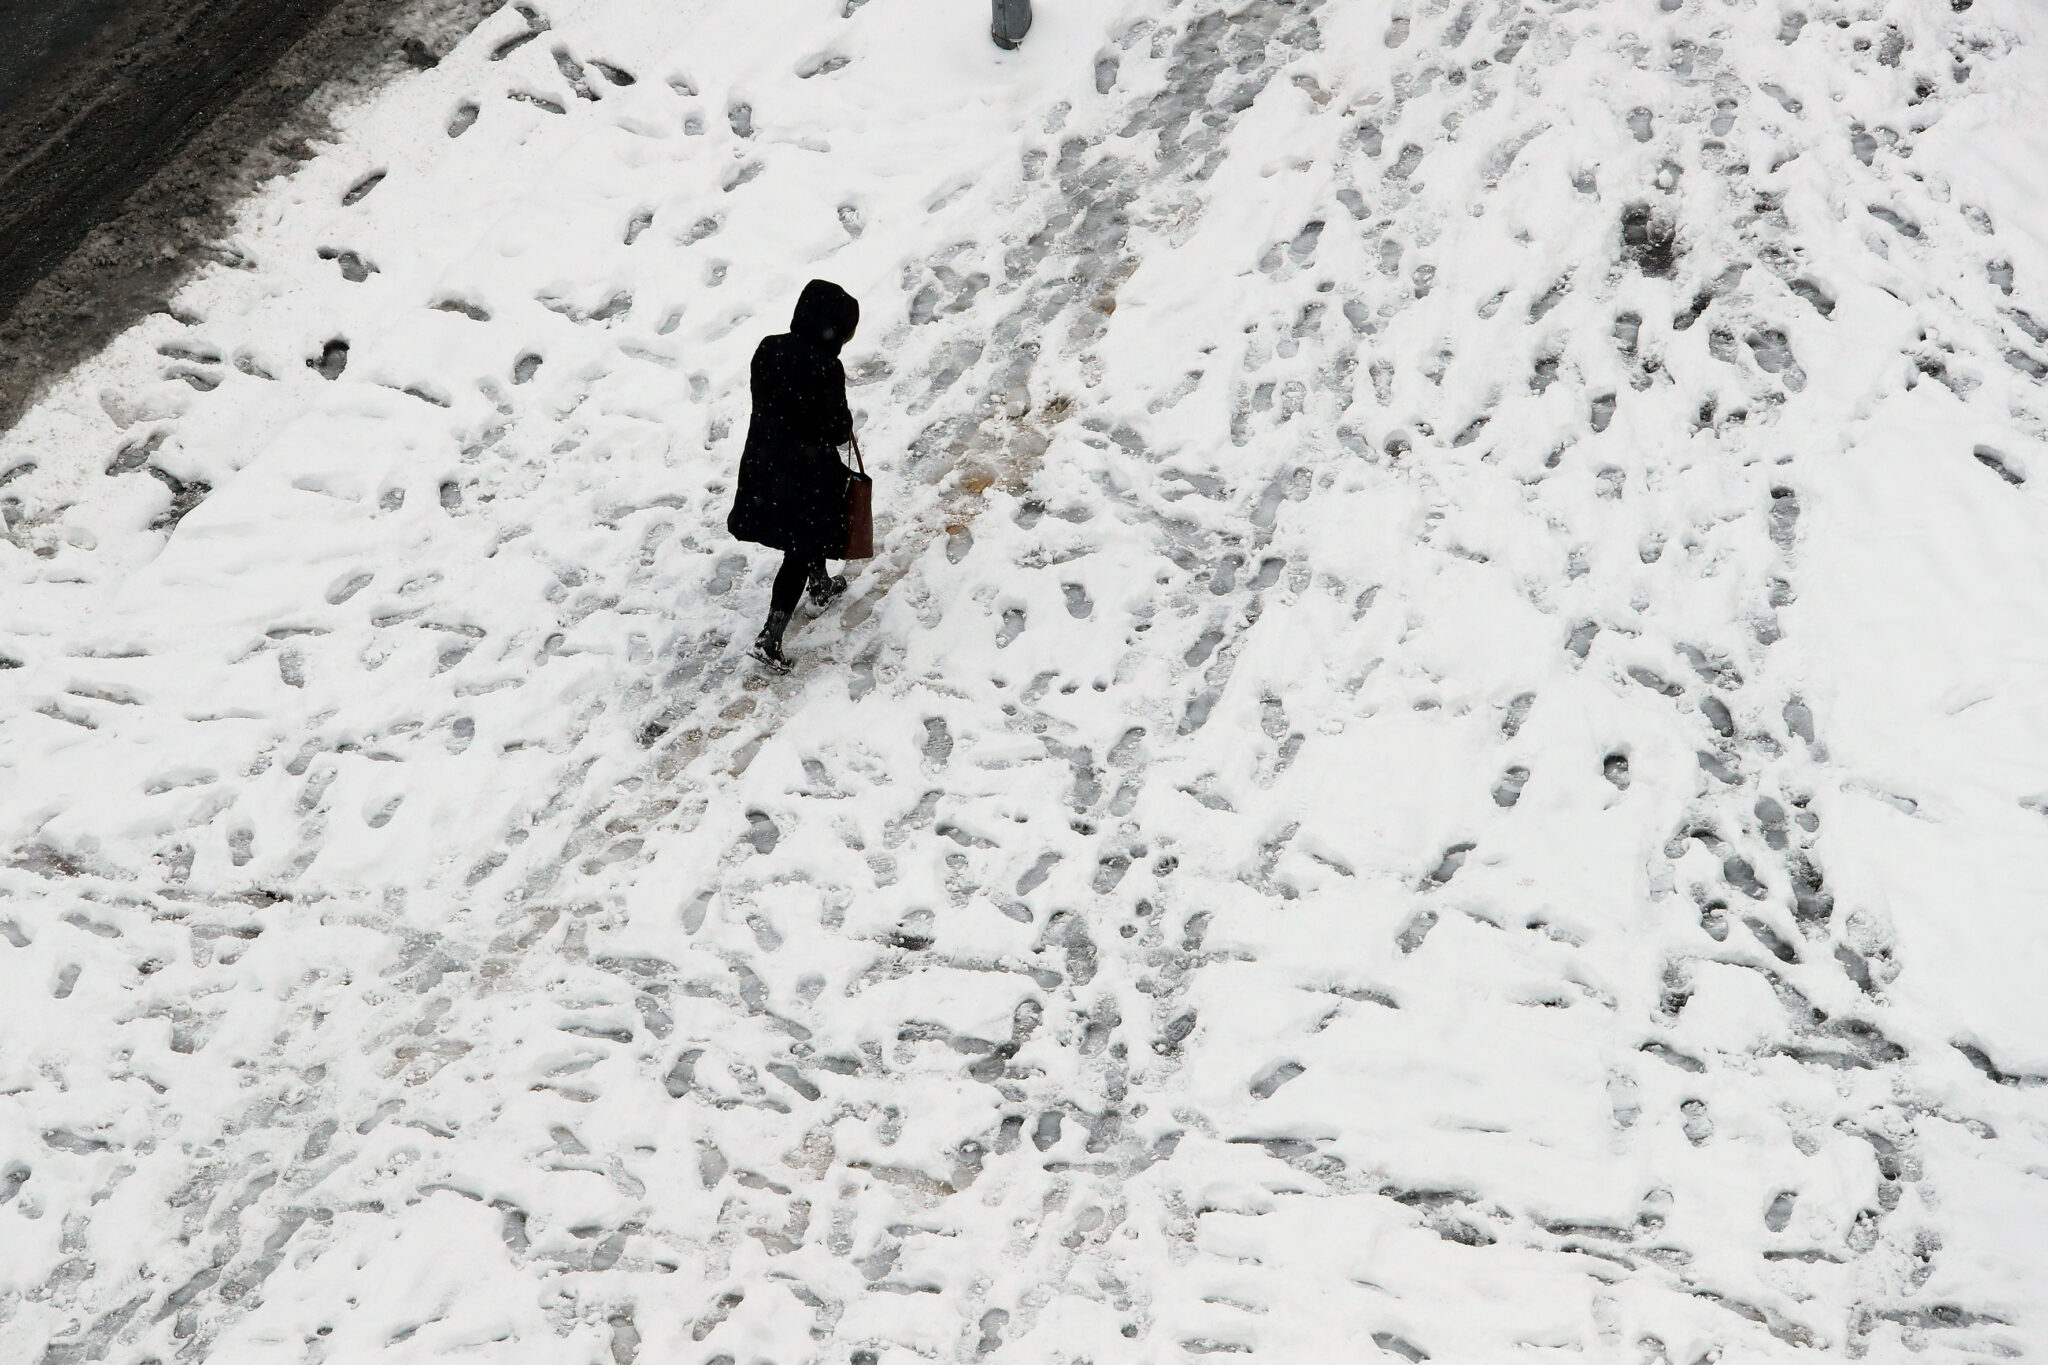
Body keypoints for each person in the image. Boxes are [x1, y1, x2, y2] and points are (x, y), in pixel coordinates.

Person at [727, 279, 860, 672]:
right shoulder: (826, 366)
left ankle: (820, 586)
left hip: (765, 464)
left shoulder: (769, 348)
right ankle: (770, 637)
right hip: (807, 471)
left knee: (806, 534)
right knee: (800, 547)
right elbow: (837, 427)